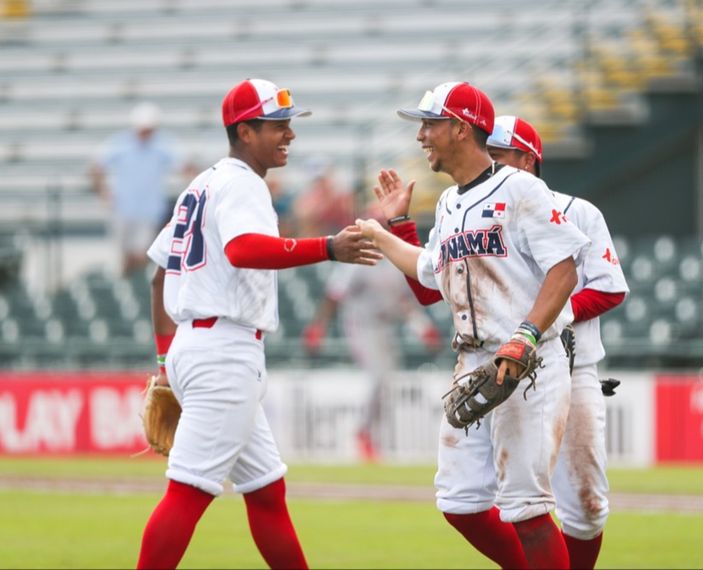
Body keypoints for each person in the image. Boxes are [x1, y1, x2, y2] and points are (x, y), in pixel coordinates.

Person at [138, 78, 380, 570]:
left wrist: (166, 358)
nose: (289, 134)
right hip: (223, 352)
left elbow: (160, 274)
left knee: (267, 491)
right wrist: (328, 247)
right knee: (187, 494)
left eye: (290, 125)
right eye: (277, 126)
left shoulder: (202, 184)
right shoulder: (243, 183)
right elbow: (243, 250)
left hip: (198, 345)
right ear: (245, 131)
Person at [375, 114, 629, 569]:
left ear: (527, 160)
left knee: (584, 510)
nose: (489, 161)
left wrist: (540, 321)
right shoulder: (463, 202)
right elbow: (432, 286)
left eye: (499, 153)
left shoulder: (576, 210)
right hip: (496, 359)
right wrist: (397, 225)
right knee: (478, 501)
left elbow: (609, 287)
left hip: (569, 363)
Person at [302, 243, 441, 462]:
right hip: (361, 325)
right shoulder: (360, 261)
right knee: (378, 377)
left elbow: (404, 302)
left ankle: (372, 435)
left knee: (386, 382)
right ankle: (363, 433)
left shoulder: (397, 261)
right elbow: (334, 295)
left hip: (386, 327)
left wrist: (422, 328)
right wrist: (319, 326)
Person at [90, 101, 187, 276]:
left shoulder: (162, 144)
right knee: (125, 255)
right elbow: (96, 167)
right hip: (123, 208)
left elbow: (183, 166)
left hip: (149, 210)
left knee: (143, 254)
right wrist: (103, 193)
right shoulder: (121, 143)